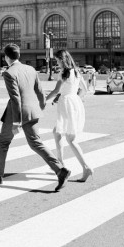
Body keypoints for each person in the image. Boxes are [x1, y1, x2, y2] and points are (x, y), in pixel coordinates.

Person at [0, 44, 71, 192]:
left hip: (15, 113)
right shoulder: (30, 69)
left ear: (6, 57)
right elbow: (40, 91)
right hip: (32, 111)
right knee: (36, 143)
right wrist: (41, 106)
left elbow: (15, 99)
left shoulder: (9, 73)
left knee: (3, 142)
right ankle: (60, 170)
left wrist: (16, 122)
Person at [45, 50, 93, 182]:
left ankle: (86, 167)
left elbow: (55, 91)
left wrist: (44, 101)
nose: (56, 62)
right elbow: (84, 89)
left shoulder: (64, 72)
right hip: (74, 102)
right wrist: (75, 98)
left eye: (57, 60)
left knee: (70, 139)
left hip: (66, 103)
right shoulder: (76, 72)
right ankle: (60, 165)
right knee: (57, 132)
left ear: (62, 60)